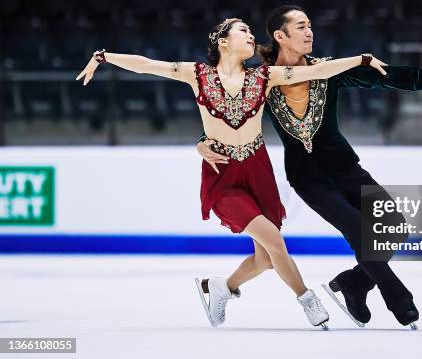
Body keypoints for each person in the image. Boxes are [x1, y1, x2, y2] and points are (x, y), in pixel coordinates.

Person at [76, 17, 389, 328]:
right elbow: (147, 65)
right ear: (223, 41)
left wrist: (360, 59)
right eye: (244, 31)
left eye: (251, 32)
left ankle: (220, 288)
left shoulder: (265, 76)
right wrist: (103, 56)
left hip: (257, 170)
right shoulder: (197, 74)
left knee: (266, 258)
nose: (251, 36)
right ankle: (307, 299)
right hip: (223, 173)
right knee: (274, 241)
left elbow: (317, 70)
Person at [197, 7, 422, 327]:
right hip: (308, 177)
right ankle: (398, 296)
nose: (310, 32)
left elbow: (381, 76)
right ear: (281, 36)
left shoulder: (327, 70)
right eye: (301, 27)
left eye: (310, 26)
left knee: (394, 227)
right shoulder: (260, 80)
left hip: (344, 167)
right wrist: (203, 141)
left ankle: (353, 284)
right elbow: (227, 115)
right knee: (358, 230)